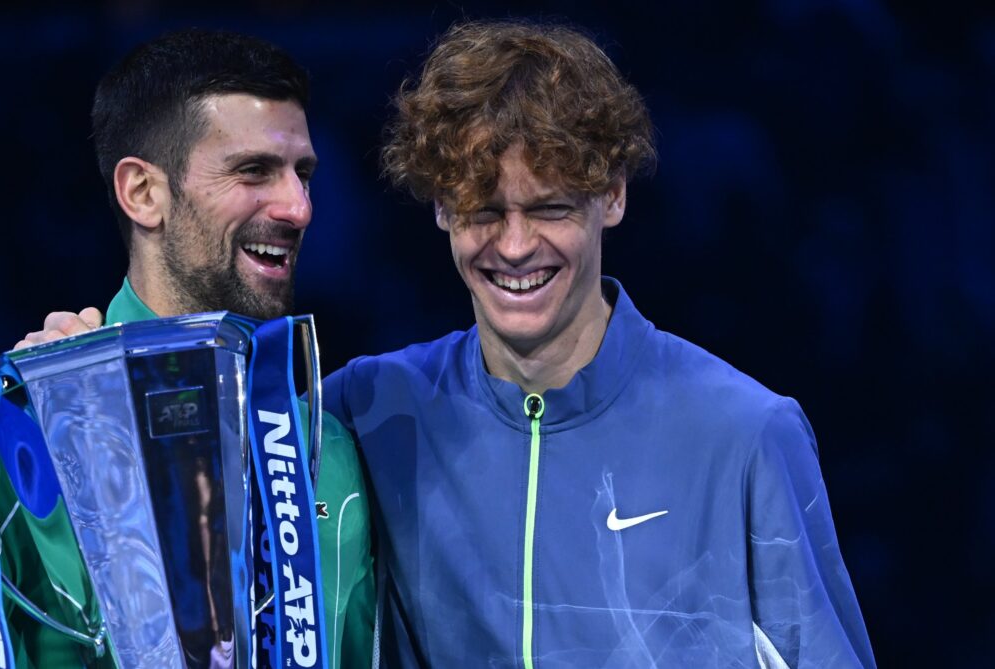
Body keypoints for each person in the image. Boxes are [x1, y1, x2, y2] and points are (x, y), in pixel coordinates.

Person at [317, 20, 876, 667]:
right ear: (442, 205)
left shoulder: (746, 433)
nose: (517, 244)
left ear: (611, 194)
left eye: (550, 207)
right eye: (485, 210)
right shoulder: (366, 411)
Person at [0, 29, 374, 669]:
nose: (298, 206)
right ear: (143, 193)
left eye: (303, 174)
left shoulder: (327, 448)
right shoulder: (5, 432)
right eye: (253, 171)